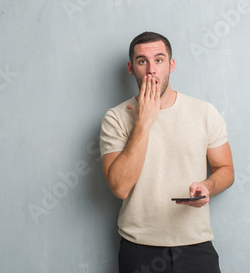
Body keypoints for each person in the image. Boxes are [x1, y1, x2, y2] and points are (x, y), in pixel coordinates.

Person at [99, 31, 234, 273]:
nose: (151, 69)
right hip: (139, 248)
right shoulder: (116, 118)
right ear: (131, 68)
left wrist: (208, 186)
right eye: (142, 61)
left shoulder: (204, 112)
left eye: (159, 60)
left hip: (196, 245)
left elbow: (225, 169)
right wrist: (144, 122)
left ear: (171, 65)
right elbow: (119, 187)